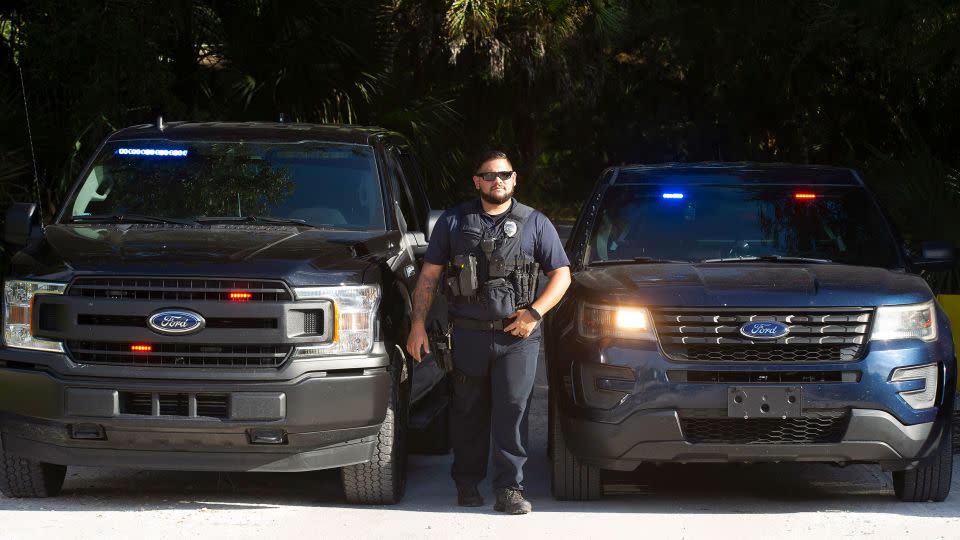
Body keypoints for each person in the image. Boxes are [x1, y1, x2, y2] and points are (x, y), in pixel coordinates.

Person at [406, 150, 571, 515]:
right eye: (490, 175)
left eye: (505, 174)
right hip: (466, 335)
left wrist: (534, 312)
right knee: (467, 412)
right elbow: (429, 277)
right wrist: (417, 324)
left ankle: (509, 488)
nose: (499, 180)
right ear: (476, 181)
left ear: (515, 179)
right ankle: (466, 483)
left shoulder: (535, 223)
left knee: (513, 411)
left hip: (518, 338)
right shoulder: (452, 222)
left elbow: (562, 275)